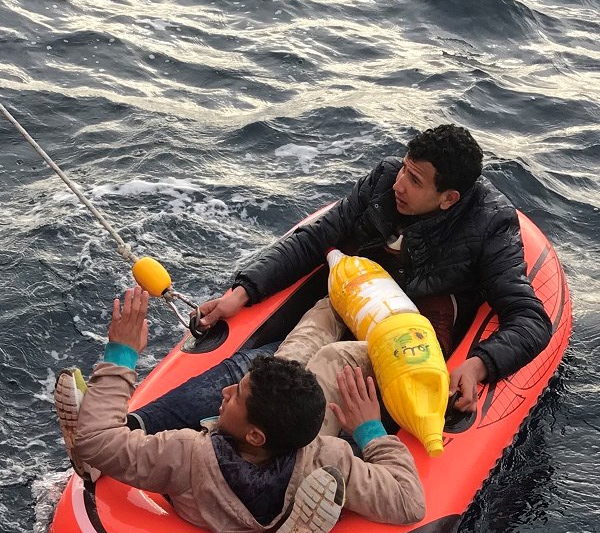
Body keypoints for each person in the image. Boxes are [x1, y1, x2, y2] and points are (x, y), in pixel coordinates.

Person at [129, 123, 552, 437]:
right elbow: (313, 239)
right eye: (404, 170)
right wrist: (242, 292)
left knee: (315, 383)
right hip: (348, 303)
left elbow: (529, 318)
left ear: (448, 198)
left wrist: (478, 365)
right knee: (260, 369)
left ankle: (227, 452)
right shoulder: (383, 182)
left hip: (405, 340)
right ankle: (134, 426)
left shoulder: (490, 225)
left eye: (414, 180)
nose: (399, 185)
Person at [54, 286, 425, 533]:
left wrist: (121, 352)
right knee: (330, 356)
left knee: (321, 344)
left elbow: (96, 441)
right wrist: (370, 430)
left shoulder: (186, 456)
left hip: (207, 497)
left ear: (254, 435)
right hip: (292, 480)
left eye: (237, 395)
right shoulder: (328, 459)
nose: (226, 391)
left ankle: (334, 302)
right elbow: (409, 502)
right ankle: (402, 329)